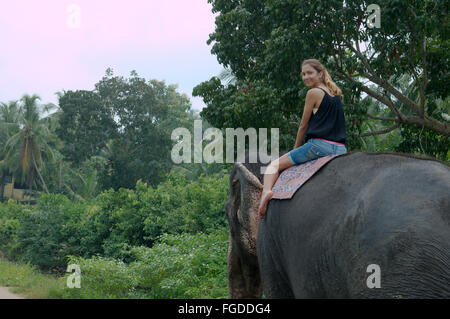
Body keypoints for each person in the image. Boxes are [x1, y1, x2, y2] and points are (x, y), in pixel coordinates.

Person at [258, 59, 347, 219]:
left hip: (319, 147)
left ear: (320, 74)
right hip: (341, 149)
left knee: (273, 166)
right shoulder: (336, 95)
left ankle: (266, 193)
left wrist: (295, 149)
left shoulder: (313, 93)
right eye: (303, 74)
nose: (306, 77)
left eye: (310, 73)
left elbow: (303, 126)